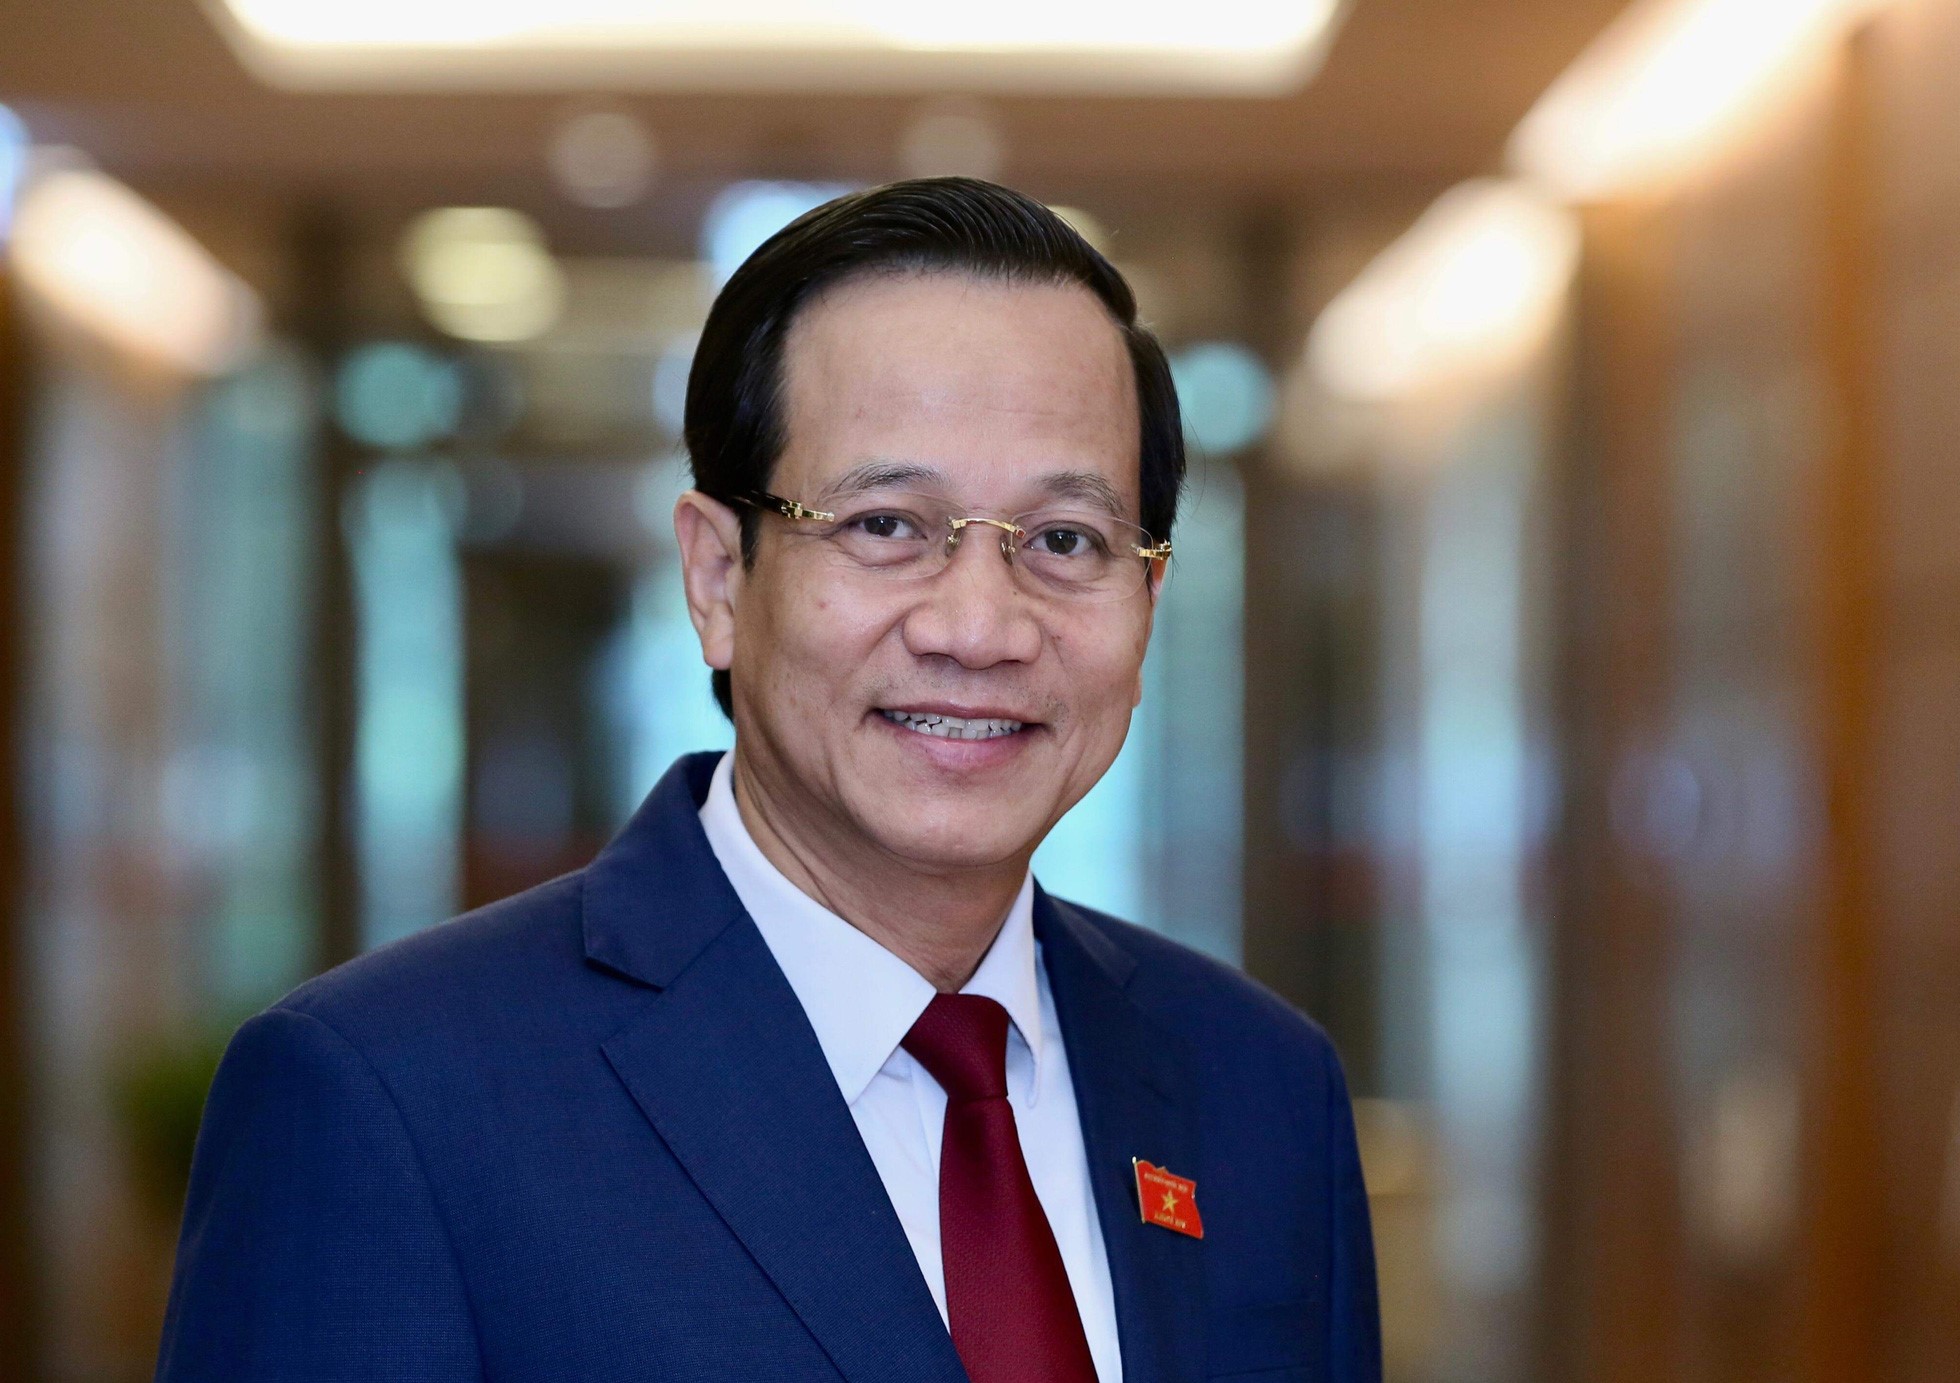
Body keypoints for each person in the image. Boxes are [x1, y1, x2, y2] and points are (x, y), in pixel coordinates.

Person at [155, 177, 1380, 1383]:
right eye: (885, 525)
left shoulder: (1258, 1088)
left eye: (1065, 540)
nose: (977, 628)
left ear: (1147, 600)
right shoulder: (390, 1097)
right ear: (717, 579)